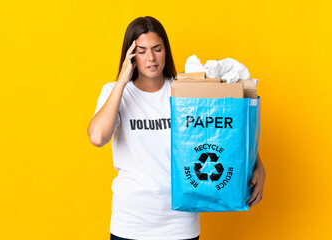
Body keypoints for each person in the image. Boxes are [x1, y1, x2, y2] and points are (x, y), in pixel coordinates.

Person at [87, 16, 266, 240]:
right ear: (130, 55)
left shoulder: (184, 90)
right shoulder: (115, 92)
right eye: (141, 51)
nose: (151, 58)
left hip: (179, 223)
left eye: (157, 49)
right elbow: (97, 137)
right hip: (130, 222)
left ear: (166, 50)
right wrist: (122, 81)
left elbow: (223, 130)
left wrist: (257, 163)